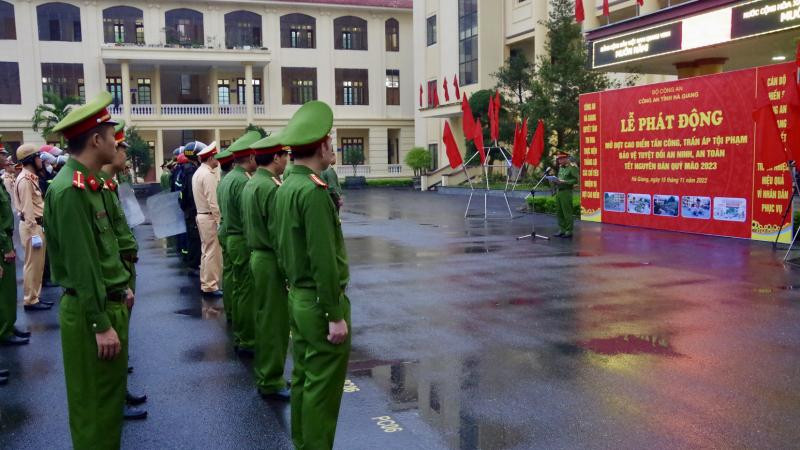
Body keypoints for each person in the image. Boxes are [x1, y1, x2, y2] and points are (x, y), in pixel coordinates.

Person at [46, 91, 134, 449]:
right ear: (96, 140)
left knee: (108, 407)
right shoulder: (70, 190)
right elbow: (82, 266)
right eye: (112, 135)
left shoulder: (90, 183)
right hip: (90, 313)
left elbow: (102, 252)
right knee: (94, 411)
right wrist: (100, 323)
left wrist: (122, 287)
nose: (116, 142)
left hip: (106, 303)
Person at [273, 101, 351, 450]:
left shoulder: (286, 186)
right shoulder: (314, 192)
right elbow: (323, 260)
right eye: (330, 142)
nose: (332, 148)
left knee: (305, 380)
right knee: (323, 391)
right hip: (320, 303)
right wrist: (334, 313)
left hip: (299, 297)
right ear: (321, 147)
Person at [100, 121, 148, 421]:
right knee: (115, 334)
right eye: (122, 149)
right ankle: (115, 397)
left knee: (124, 333)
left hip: (125, 265)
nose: (125, 156)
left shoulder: (110, 185)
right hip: (116, 269)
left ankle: (120, 389)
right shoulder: (99, 187)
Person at [242, 131, 291, 400]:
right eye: (285, 156)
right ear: (276, 157)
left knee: (263, 318)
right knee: (274, 323)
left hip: (257, 256)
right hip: (270, 259)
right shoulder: (271, 187)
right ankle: (271, 379)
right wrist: (289, 271)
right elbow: (279, 234)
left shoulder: (253, 183)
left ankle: (266, 374)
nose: (287, 161)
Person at [218, 131, 260, 356]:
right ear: (251, 158)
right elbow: (248, 217)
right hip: (241, 238)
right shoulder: (243, 181)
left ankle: (235, 323)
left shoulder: (227, 179)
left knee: (235, 283)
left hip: (228, 234)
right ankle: (246, 338)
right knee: (246, 291)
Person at [14, 144, 52, 311]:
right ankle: (30, 300)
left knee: (38, 265)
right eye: (37, 157)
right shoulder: (25, 180)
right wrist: (34, 233)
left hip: (36, 225)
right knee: (32, 265)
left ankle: (35, 296)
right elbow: (27, 208)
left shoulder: (30, 177)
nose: (40, 160)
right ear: (30, 159)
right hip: (32, 226)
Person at [0, 144, 30, 347]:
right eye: (2, 154)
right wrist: (5, 247)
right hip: (2, 242)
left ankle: (8, 324)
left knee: (9, 290)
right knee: (4, 291)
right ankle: (4, 330)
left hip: (6, 237)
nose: (6, 157)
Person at [192, 142, 223, 297]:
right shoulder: (208, 175)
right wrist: (220, 221)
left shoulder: (199, 172)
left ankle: (206, 283)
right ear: (210, 158)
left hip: (202, 215)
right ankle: (210, 286)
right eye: (216, 156)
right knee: (212, 253)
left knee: (206, 251)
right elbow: (214, 202)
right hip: (209, 217)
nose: (218, 159)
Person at [214, 147, 235, 321]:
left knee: (228, 273)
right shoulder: (236, 180)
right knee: (241, 282)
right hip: (233, 233)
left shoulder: (223, 181)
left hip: (224, 229)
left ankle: (229, 309)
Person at [179, 142, 204, 274]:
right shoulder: (191, 171)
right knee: (195, 240)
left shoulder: (187, 168)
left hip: (189, 210)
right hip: (193, 211)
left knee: (193, 238)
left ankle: (193, 263)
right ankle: (193, 265)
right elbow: (191, 194)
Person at [551, 152, 579, 238]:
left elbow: (576, 180)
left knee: (567, 212)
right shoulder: (561, 167)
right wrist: (555, 180)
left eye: (561, 159)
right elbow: (560, 178)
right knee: (559, 212)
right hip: (559, 192)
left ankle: (568, 231)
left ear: (566, 159)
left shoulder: (572, 167)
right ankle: (562, 229)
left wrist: (565, 182)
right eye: (559, 159)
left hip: (566, 192)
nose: (559, 160)